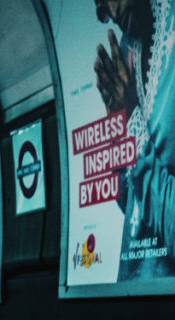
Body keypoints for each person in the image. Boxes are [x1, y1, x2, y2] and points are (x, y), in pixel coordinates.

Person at [93, 0, 175, 279]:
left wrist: (133, 124)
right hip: (134, 285)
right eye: (100, 8)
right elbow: (128, 202)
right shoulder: (128, 48)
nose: (111, 14)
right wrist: (117, 124)